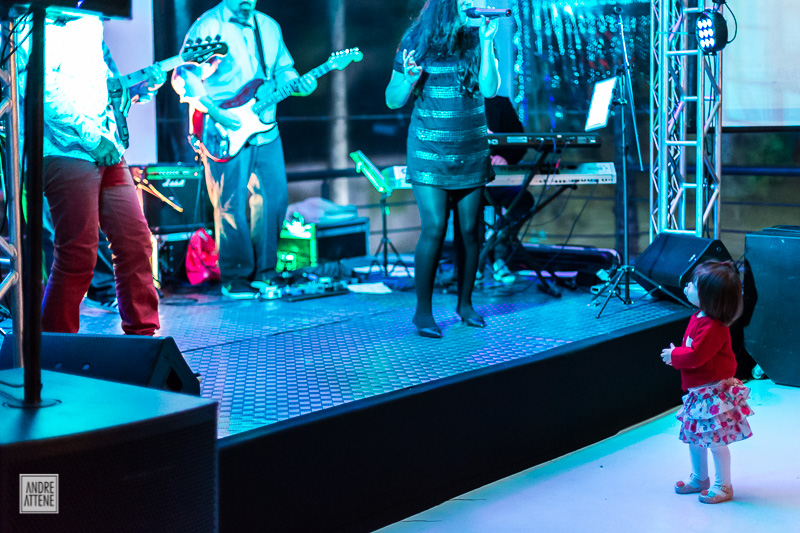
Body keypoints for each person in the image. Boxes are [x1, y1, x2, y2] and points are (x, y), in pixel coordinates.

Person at [171, 0, 317, 299]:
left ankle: (265, 274)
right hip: (221, 126)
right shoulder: (209, 25)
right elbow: (183, 75)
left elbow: (284, 69)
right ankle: (235, 277)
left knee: (274, 200)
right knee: (230, 204)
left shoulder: (268, 26)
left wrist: (299, 84)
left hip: (265, 126)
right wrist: (214, 110)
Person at [33, 14, 163, 335]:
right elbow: (43, 89)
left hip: (106, 146)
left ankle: (144, 342)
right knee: (77, 256)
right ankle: (53, 358)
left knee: (134, 244)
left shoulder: (90, 18)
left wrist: (135, 89)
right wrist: (94, 137)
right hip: (67, 150)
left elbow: (101, 84)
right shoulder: (39, 18)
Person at [386, 0, 499, 338]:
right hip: (429, 149)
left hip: (470, 148)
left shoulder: (481, 35)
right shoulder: (416, 38)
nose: (472, 4)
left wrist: (490, 41)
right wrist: (407, 81)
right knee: (434, 226)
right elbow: (393, 98)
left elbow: (490, 89)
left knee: (469, 230)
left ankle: (465, 304)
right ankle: (423, 313)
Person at [660, 260, 754, 504]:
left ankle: (723, 485)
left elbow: (697, 355)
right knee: (695, 439)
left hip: (712, 396)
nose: (688, 286)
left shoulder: (713, 327)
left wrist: (675, 356)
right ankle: (699, 478)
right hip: (699, 393)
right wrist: (679, 353)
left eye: (694, 285)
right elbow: (691, 348)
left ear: (710, 298)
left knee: (715, 442)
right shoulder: (699, 317)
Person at [484, 94, 534, 283]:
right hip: (467, 182)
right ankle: (473, 266)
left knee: (522, 200)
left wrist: (503, 158)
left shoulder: (500, 103)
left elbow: (519, 143)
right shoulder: (456, 99)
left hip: (497, 181)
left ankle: (497, 254)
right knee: (467, 207)